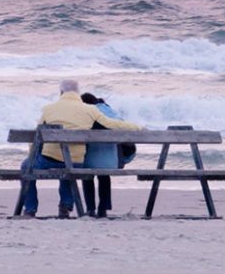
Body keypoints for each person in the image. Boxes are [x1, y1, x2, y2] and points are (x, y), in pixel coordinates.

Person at [21, 80, 141, 218]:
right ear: (77, 93)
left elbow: (37, 136)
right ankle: (65, 206)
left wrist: (32, 156)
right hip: (77, 162)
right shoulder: (90, 110)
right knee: (67, 165)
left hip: (50, 159)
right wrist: (138, 128)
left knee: (26, 166)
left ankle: (30, 209)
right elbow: (113, 124)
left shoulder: (48, 109)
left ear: (61, 92)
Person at [80, 92, 137, 218]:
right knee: (104, 175)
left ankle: (90, 209)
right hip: (112, 162)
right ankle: (103, 208)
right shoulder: (111, 112)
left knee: (87, 176)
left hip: (89, 160)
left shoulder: (88, 112)